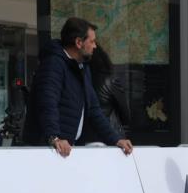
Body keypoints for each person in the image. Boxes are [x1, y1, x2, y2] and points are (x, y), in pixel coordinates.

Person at [23, 17, 133, 157]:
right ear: (78, 42)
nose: (95, 46)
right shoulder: (53, 64)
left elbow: (94, 110)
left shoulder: (81, 67)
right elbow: (47, 103)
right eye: (92, 41)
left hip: (67, 149)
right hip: (48, 150)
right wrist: (54, 137)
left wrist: (116, 139)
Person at [80, 43, 131, 144]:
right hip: (110, 137)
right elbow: (126, 114)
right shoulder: (109, 80)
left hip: (83, 138)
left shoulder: (79, 79)